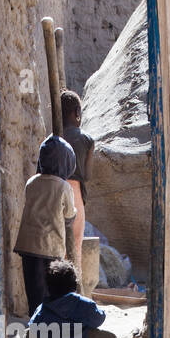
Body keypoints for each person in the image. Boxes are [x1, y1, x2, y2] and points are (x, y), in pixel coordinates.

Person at [13, 134, 77, 313]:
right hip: (50, 247)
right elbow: (69, 215)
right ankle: (48, 325)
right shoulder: (64, 187)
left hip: (28, 245)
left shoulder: (31, 182)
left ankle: (34, 323)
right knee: (51, 290)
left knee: (34, 289)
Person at [60, 89, 95, 275]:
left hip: (54, 189)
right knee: (76, 243)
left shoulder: (54, 137)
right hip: (75, 191)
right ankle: (74, 288)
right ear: (77, 113)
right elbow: (87, 176)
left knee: (57, 245)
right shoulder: (87, 140)